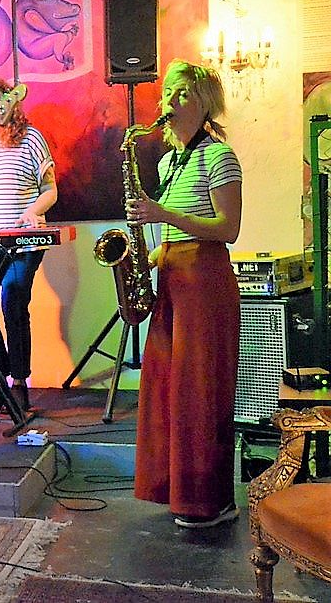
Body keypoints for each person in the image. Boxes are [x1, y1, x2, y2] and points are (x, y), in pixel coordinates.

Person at [126, 59, 242, 528]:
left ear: (204, 103)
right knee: (168, 391)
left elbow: (228, 229)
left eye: (182, 94)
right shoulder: (170, 161)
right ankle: (175, 492)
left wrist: (162, 215)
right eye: (167, 93)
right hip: (174, 280)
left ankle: (210, 502)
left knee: (200, 392)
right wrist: (149, 256)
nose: (169, 103)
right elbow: (178, 233)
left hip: (205, 286)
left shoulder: (219, 156)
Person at [0, 75, 57, 413]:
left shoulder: (31, 138)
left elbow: (50, 190)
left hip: (22, 242)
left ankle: (19, 384)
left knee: (14, 302)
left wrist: (33, 211)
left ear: (10, 100)